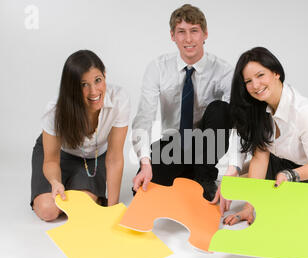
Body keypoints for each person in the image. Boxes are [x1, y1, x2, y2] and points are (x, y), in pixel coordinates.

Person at [212, 47, 308, 225]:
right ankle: (234, 183)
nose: (255, 86)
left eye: (260, 75)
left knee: (286, 213)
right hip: (279, 163)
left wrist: (290, 175)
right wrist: (248, 207)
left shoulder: (306, 113)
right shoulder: (260, 109)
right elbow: (260, 157)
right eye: (248, 81)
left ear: (276, 72)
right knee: (233, 182)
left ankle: (251, 182)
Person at [131, 3, 240, 201]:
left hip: (207, 144)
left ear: (205, 34)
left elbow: (239, 120)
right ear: (172, 36)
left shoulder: (223, 71)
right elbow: (144, 117)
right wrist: (145, 163)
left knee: (221, 108)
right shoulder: (158, 68)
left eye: (194, 31)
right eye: (181, 32)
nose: (188, 39)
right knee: (144, 189)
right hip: (174, 144)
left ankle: (204, 173)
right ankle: (188, 174)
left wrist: (234, 166)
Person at [31, 50, 130, 222]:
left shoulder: (119, 99)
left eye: (98, 80)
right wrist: (55, 181)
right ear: (72, 88)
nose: (93, 91)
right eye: (84, 84)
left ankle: (82, 188)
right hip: (59, 155)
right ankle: (66, 186)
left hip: (94, 158)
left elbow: (114, 158)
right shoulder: (55, 110)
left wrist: (112, 209)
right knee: (48, 211)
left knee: (81, 210)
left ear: (105, 75)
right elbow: (51, 160)